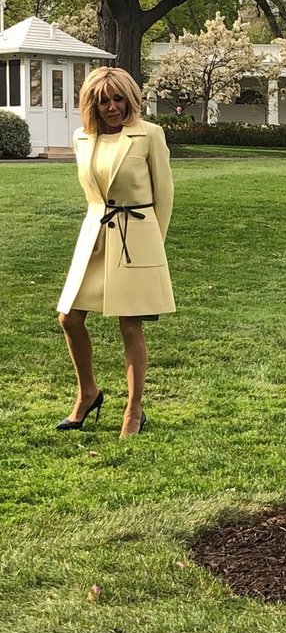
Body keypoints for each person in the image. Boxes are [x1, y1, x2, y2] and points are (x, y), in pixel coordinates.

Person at [55, 67, 175, 439]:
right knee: (69, 318)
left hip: (138, 237)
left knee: (130, 325)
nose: (111, 107)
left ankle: (134, 411)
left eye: (118, 98)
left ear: (130, 99)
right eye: (103, 100)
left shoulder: (149, 135)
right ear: (91, 103)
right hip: (94, 236)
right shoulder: (82, 138)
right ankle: (88, 392)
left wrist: (154, 247)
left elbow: (165, 195)